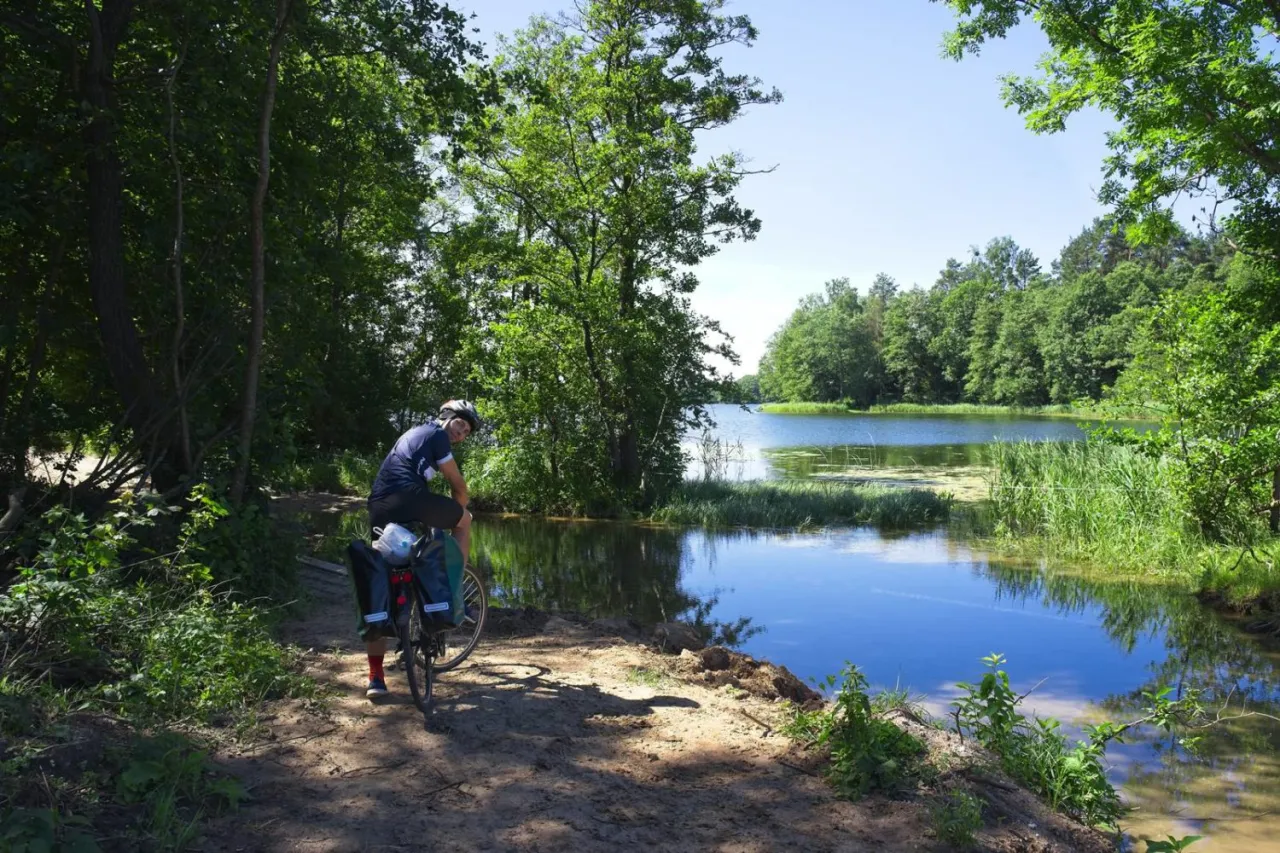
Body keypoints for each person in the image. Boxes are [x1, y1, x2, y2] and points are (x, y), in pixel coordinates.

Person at [363, 399, 479, 698]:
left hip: (378, 505)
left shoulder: (412, 435)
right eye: (460, 425)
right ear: (446, 417)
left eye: (466, 432)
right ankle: (454, 589)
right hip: (410, 499)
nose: (461, 434)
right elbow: (458, 485)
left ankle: (376, 677)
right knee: (464, 521)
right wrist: (458, 509)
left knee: (381, 589)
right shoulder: (437, 435)